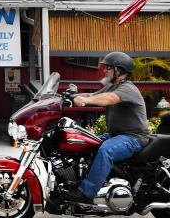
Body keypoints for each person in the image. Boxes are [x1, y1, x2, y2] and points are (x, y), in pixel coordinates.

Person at [64, 51, 150, 205]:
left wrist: (82, 100)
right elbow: (93, 96)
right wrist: (68, 96)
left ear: (119, 70)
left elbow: (107, 99)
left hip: (134, 137)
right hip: (117, 135)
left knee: (106, 150)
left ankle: (86, 193)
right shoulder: (112, 86)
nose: (105, 71)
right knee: (87, 142)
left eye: (108, 68)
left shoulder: (127, 88)